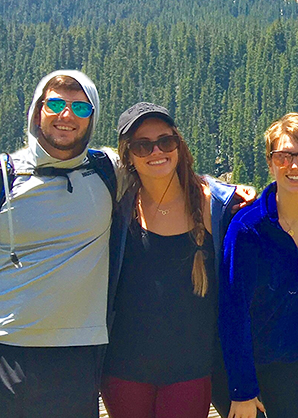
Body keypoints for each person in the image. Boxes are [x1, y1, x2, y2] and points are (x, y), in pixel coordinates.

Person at [0, 70, 113, 418]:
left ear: (92, 117)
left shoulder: (108, 171)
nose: (67, 115)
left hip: (75, 359)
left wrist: (228, 195)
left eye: (80, 107)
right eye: (57, 103)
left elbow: (164, 171)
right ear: (37, 110)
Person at [101, 103, 244, 418]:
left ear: (179, 146)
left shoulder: (214, 207)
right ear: (128, 155)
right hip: (123, 369)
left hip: (190, 371)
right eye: (143, 145)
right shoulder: (119, 208)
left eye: (165, 142)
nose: (156, 151)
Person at [219, 114, 298, 418]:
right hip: (244, 367)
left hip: (290, 362)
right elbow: (232, 313)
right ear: (271, 163)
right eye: (284, 156)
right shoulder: (249, 228)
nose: (294, 165)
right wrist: (243, 390)